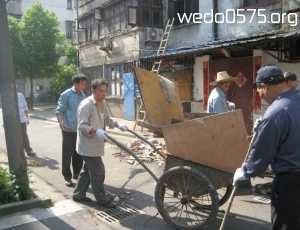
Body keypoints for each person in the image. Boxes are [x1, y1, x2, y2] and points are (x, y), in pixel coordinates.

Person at [233, 66, 300, 230]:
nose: (261, 96)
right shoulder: (296, 101)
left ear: (264, 86)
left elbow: (261, 156)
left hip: (291, 183)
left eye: (259, 91)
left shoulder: (275, 113)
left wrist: (245, 171)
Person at [72, 79, 128, 208]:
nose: (104, 94)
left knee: (87, 171)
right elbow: (81, 126)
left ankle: (78, 194)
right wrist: (95, 130)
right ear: (93, 91)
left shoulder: (103, 103)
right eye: (100, 91)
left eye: (105, 91)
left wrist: (118, 125)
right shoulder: (86, 105)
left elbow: (107, 119)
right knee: (98, 171)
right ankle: (102, 199)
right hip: (88, 146)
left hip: (96, 144)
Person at [55, 73, 87, 187]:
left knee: (78, 154)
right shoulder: (66, 95)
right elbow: (59, 111)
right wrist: (61, 123)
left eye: (85, 84)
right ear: (75, 83)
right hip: (68, 130)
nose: (83, 86)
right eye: (81, 84)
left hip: (79, 131)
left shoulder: (84, 97)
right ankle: (67, 177)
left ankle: (77, 174)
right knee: (67, 154)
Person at [17, 89, 36, 156]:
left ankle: (28, 150)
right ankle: (17, 152)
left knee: (24, 134)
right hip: (12, 121)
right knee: (14, 136)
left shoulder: (20, 96)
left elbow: (25, 107)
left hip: (22, 119)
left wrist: (27, 118)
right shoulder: (8, 96)